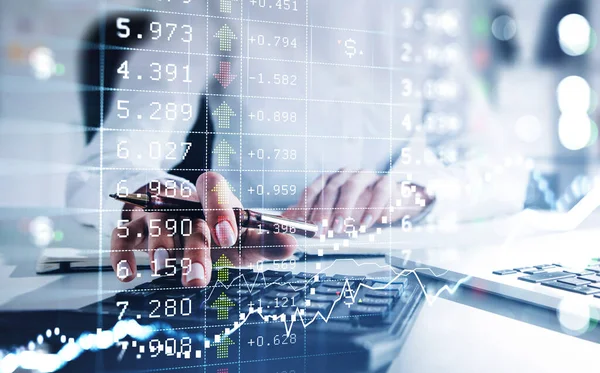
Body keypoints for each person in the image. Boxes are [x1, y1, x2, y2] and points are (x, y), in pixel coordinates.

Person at [67, 0, 528, 288]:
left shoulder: (422, 15)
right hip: (246, 279)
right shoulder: (209, 7)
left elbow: (504, 167)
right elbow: (105, 164)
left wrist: (413, 193)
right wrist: (149, 194)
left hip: (391, 276)